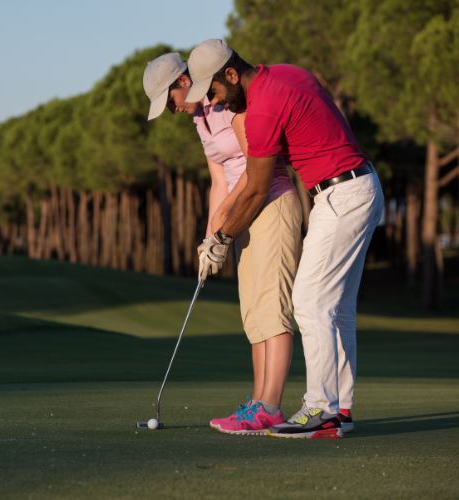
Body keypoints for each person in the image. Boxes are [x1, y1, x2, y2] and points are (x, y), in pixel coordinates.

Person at [184, 39, 384, 438]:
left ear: (230, 74)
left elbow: (257, 189)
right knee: (337, 307)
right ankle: (340, 409)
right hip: (360, 185)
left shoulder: (262, 110)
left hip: (341, 194)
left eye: (215, 92)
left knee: (309, 302)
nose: (216, 103)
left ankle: (320, 409)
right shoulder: (290, 73)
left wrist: (220, 236)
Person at [143, 51, 303, 435]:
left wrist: (222, 232)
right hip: (244, 215)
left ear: (182, 82)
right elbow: (220, 183)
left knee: (273, 309)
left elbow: (253, 172)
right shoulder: (201, 120)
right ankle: (257, 402)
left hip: (272, 205)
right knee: (253, 313)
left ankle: (271, 406)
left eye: (169, 102)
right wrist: (208, 238)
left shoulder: (230, 106)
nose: (171, 110)